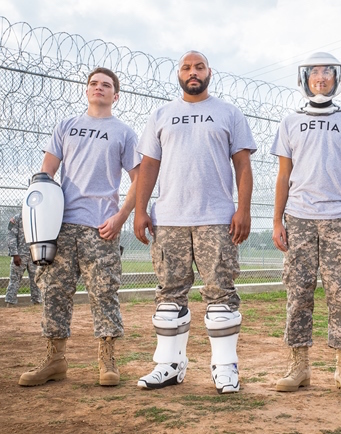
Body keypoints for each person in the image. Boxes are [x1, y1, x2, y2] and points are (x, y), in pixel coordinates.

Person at [134, 50, 256, 394]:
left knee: (220, 299)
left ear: (209, 73)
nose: (193, 72)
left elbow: (243, 166)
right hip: (168, 219)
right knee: (169, 300)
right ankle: (169, 366)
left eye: (199, 66)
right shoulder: (161, 114)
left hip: (215, 218)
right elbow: (148, 167)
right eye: (187, 67)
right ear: (179, 73)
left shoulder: (228, 113)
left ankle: (225, 368)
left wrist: (242, 209)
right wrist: (140, 210)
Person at [18, 67, 140, 387]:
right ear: (87, 91)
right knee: (55, 292)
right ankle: (55, 360)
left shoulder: (124, 133)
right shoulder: (66, 127)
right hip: (62, 225)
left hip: (102, 226)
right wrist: (42, 224)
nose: (99, 88)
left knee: (104, 292)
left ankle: (107, 359)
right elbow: (45, 176)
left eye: (106, 85)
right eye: (93, 84)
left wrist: (121, 217)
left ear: (116, 95)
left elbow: (139, 181)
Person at [271, 52, 341, 394]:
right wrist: (276, 221)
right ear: (305, 79)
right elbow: (283, 176)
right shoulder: (290, 122)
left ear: (336, 78)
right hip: (298, 218)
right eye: (314, 72)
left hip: (337, 219)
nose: (321, 77)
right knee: (298, 293)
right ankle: (299, 366)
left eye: (327, 71)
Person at [5, 212, 42, 306]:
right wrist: (14, 254)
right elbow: (11, 236)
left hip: (35, 254)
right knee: (15, 279)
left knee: (36, 279)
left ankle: (37, 303)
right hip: (20, 255)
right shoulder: (17, 218)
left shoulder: (39, 218)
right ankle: (10, 304)